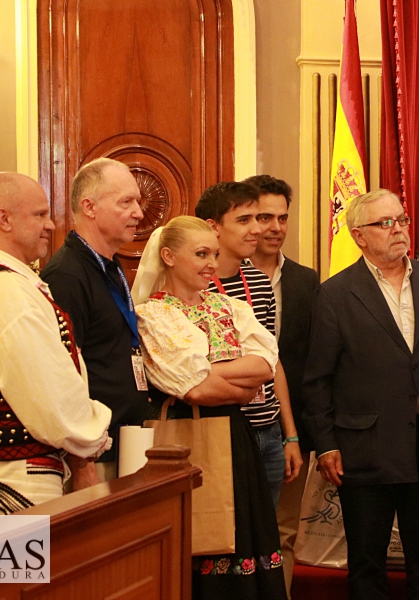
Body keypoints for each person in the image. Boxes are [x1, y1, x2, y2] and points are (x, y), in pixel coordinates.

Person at [303, 189, 419, 600]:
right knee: (367, 561)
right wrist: (325, 445)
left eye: (401, 220)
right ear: (359, 236)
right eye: (385, 223)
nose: (397, 230)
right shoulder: (336, 294)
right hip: (364, 444)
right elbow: (317, 379)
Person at [132, 216, 287, 599]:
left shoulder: (229, 306)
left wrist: (212, 375)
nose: (211, 265)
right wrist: (240, 391)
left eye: (214, 254)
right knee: (194, 538)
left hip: (235, 438)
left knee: (244, 535)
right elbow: (193, 390)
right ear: (167, 256)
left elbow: (265, 363)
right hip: (181, 441)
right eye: (201, 254)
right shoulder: (153, 315)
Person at [0, 173, 112, 515]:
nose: (51, 225)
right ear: (4, 218)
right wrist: (90, 441)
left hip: (5, 473)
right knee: (34, 571)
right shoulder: (4, 290)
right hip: (17, 480)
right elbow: (49, 392)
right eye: (39, 215)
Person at [195, 181, 303, 510]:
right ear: (213, 227)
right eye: (245, 221)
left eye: (258, 219)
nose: (257, 230)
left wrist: (290, 434)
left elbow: (273, 361)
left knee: (265, 535)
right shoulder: (194, 283)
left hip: (268, 430)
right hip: (219, 430)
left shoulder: (257, 281)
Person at [42, 157, 146, 485]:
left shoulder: (110, 266)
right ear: (89, 206)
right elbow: (63, 376)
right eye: (126, 202)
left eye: (138, 202)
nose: (139, 213)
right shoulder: (67, 275)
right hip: (93, 455)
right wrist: (81, 460)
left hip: (123, 441)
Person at [244, 174, 321, 593]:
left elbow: (312, 359)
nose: (274, 227)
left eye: (282, 218)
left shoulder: (306, 281)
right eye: (263, 217)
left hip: (291, 429)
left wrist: (301, 434)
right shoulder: (221, 276)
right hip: (240, 424)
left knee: (284, 532)